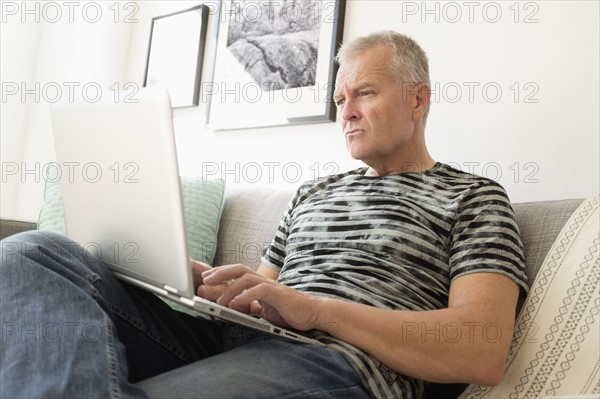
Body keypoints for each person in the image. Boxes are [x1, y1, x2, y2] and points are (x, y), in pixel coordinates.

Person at [0, 31, 528, 398]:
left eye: (364, 93)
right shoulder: (313, 193)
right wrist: (198, 282)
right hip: (233, 342)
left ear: (419, 99)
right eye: (341, 97)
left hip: (338, 363)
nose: (345, 112)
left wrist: (317, 310)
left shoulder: (473, 197)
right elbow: (260, 293)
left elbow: (478, 349)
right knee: (31, 253)